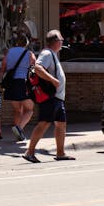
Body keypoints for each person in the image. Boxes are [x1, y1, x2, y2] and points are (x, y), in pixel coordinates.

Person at [22, 29, 75, 163]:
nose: (62, 42)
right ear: (56, 41)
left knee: (61, 124)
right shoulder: (46, 53)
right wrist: (53, 80)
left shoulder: (52, 54)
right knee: (44, 124)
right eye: (61, 40)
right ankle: (29, 152)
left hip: (58, 98)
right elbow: (37, 68)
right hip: (51, 98)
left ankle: (60, 153)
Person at [0, 35, 36, 142]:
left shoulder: (9, 53)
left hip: (11, 84)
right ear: (26, 43)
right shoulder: (29, 54)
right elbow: (34, 68)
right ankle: (19, 128)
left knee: (17, 110)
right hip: (23, 83)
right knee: (29, 109)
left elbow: (2, 68)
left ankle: (18, 134)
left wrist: (0, 82)